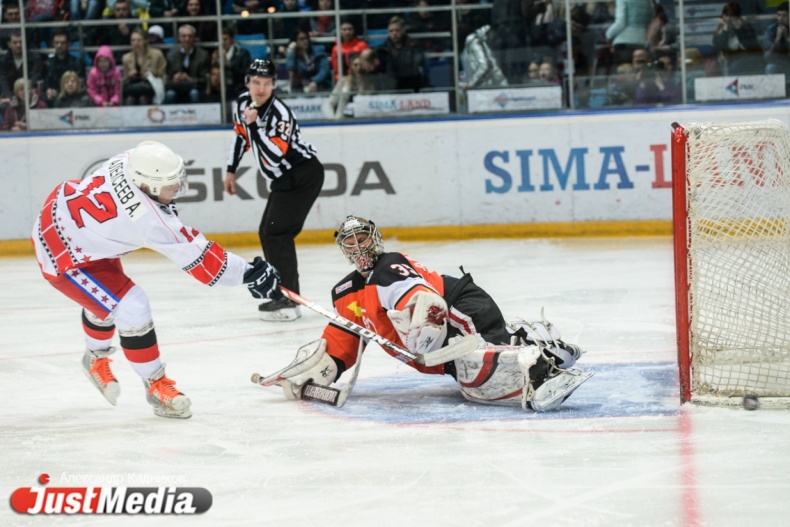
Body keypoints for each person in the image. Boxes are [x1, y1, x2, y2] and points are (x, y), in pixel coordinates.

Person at [31, 141, 282, 418]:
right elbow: (201, 260)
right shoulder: (147, 220)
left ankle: (94, 358)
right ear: (147, 187)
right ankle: (155, 386)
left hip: (76, 224)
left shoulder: (131, 159)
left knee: (107, 301)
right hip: (63, 255)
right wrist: (248, 273)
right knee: (131, 306)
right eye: (169, 186)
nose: (176, 190)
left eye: (177, 181)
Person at [264, 215, 590, 411]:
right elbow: (343, 342)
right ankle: (531, 352)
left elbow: (425, 302)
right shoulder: (345, 293)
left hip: (460, 306)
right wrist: (319, 370)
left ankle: (533, 363)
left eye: (363, 238)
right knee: (471, 380)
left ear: (374, 238)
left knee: (483, 363)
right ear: (343, 251)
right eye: (351, 244)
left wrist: (424, 325)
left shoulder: (388, 265)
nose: (359, 247)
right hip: (439, 348)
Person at [224, 59, 325, 321]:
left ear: (273, 85)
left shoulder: (280, 113)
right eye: (257, 82)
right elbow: (241, 136)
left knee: (276, 234)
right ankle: (284, 296)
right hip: (285, 180)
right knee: (270, 232)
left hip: (302, 175)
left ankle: (288, 301)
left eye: (267, 83)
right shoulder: (243, 103)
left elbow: (274, 156)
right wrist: (231, 169)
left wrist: (255, 126)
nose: (261, 88)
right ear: (248, 82)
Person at [712, 1, 764, 75]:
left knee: (736, 66)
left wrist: (739, 29)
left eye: (732, 16)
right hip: (729, 61)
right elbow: (719, 47)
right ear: (723, 17)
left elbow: (750, 47)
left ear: (738, 17)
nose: (729, 19)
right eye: (726, 16)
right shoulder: (720, 30)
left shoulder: (747, 28)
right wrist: (725, 29)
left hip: (747, 60)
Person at [378, 15, 428, 92]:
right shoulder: (383, 49)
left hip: (411, 84)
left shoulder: (414, 46)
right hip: (392, 87)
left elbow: (416, 67)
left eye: (397, 30)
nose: (394, 33)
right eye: (391, 31)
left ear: (403, 30)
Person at [165, 24, 211, 104]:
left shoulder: (203, 55)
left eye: (190, 36)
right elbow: (167, 80)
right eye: (184, 36)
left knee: (194, 94)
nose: (187, 39)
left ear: (194, 38)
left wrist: (190, 79)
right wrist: (174, 78)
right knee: (170, 95)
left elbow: (204, 80)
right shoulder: (171, 56)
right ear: (179, 38)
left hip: (195, 88)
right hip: (176, 87)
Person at [122, 27, 167, 105]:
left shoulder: (157, 55)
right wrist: (129, 75)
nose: (136, 43)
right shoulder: (126, 58)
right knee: (130, 99)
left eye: (139, 40)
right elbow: (125, 80)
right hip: (133, 88)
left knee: (143, 98)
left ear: (145, 41)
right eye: (133, 40)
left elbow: (163, 73)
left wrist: (150, 74)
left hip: (151, 87)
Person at [605, 0, 654, 67]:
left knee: (625, 72)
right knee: (642, 72)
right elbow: (651, 22)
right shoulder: (648, 1)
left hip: (624, 44)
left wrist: (608, 35)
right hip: (643, 42)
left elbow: (620, 23)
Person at [44, 29, 86, 106]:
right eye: (56, 43)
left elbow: (80, 85)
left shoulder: (77, 62)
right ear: (53, 44)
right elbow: (46, 82)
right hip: (53, 99)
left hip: (73, 99)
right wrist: (48, 90)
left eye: (62, 43)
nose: (59, 45)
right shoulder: (48, 63)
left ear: (68, 44)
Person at [0, 32, 46, 100]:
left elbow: (34, 78)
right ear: (9, 44)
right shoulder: (3, 61)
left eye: (21, 42)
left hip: (30, 94)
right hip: (9, 96)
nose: (18, 45)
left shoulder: (36, 59)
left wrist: (23, 94)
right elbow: (3, 81)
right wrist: (9, 98)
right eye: (15, 42)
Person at [461, 25, 508, 90]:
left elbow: (484, 66)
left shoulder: (475, 43)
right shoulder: (475, 43)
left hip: (494, 85)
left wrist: (471, 84)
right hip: (492, 84)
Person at [215, 25, 252, 97]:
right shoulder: (216, 54)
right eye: (220, 39)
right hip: (220, 88)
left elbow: (246, 74)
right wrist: (213, 62)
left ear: (232, 40)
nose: (222, 42)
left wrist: (230, 65)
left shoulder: (243, 53)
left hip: (238, 87)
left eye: (225, 39)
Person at [328, 51, 363, 117]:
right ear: (350, 66)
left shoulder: (367, 81)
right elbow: (330, 102)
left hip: (361, 118)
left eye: (360, 65)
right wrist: (332, 119)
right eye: (355, 65)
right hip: (342, 118)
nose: (358, 67)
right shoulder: (343, 80)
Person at [763, 2, 790, 76]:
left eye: (784, 15)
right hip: (781, 64)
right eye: (778, 15)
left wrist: (787, 38)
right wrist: (777, 40)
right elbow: (767, 57)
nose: (780, 18)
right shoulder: (771, 29)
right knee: (770, 68)